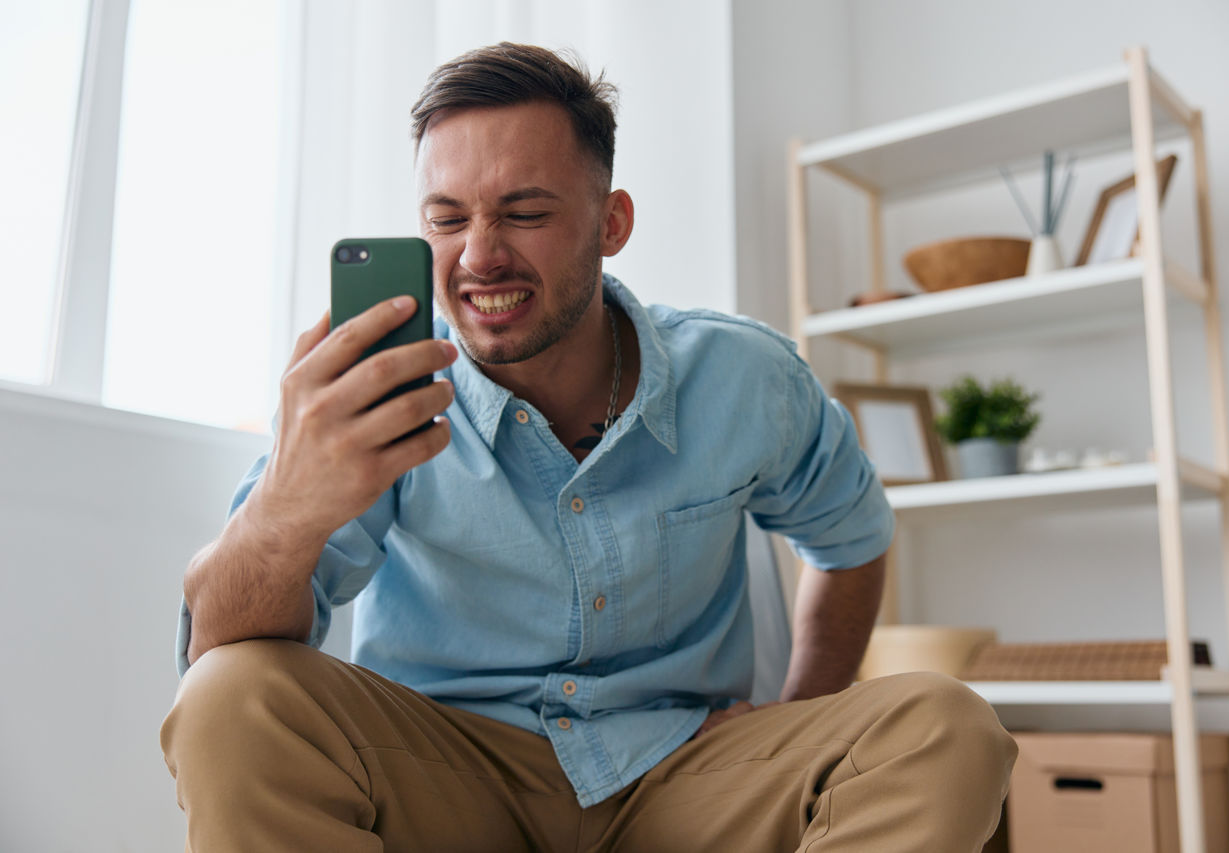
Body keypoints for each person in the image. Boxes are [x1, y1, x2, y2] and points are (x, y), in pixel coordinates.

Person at [161, 42, 1015, 852]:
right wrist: (287, 504)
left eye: (524, 212)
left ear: (611, 223)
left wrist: (800, 708)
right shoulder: (365, 402)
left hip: (683, 768)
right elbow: (221, 645)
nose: (478, 256)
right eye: (446, 219)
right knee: (229, 696)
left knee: (945, 725)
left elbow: (851, 537)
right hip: (447, 769)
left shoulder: (744, 376)